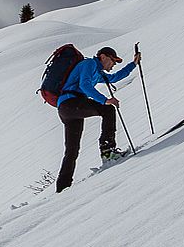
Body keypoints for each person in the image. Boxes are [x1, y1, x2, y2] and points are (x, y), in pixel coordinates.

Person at [55, 45, 141, 192]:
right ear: (103, 57)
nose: (113, 64)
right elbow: (85, 85)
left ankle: (62, 188)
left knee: (72, 149)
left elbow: (114, 78)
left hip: (67, 108)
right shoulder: (89, 64)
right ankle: (108, 151)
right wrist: (104, 100)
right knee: (107, 109)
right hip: (71, 102)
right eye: (113, 61)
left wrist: (133, 64)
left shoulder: (98, 72)